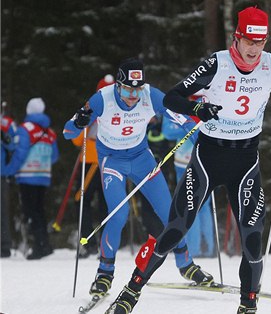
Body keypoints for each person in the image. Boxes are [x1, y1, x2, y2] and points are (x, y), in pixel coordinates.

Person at [106, 6, 271, 314]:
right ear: (237, 37)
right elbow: (172, 97)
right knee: (175, 230)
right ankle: (131, 290)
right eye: (249, 41)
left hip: (245, 160)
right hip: (209, 157)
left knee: (252, 239)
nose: (254, 49)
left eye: (260, 42)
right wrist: (197, 110)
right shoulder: (216, 64)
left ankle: (248, 305)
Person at [63, 58, 212, 301]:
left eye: (137, 89)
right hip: (112, 161)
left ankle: (186, 265)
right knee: (118, 215)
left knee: (169, 213)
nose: (133, 95)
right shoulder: (102, 98)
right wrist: (78, 122)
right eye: (127, 89)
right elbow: (68, 131)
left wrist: (204, 139)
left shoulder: (150, 95)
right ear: (118, 85)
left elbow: (183, 119)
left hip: (142, 159)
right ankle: (104, 273)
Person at [4, 97, 59, 260]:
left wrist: (9, 170)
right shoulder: (50, 132)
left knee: (30, 211)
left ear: (29, 110)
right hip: (44, 176)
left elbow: (20, 153)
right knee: (39, 211)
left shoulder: (25, 129)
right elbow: (54, 156)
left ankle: (38, 247)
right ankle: (45, 244)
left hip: (27, 176)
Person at [162, 104, 216, 258]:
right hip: (182, 164)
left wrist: (190, 125)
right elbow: (167, 131)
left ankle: (202, 249)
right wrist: (188, 125)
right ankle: (198, 248)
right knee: (191, 204)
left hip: (204, 161)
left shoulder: (211, 101)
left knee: (199, 205)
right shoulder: (180, 103)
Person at [73, 74, 115, 258]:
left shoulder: (116, 109)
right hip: (94, 162)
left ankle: (98, 245)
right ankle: (90, 244)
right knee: (89, 202)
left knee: (88, 202)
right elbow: (75, 137)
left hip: (101, 161)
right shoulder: (90, 108)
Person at [1, 105, 18, 258]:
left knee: (2, 211)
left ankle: (4, 246)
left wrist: (4, 136)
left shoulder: (7, 123)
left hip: (1, 173)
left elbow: (14, 144)